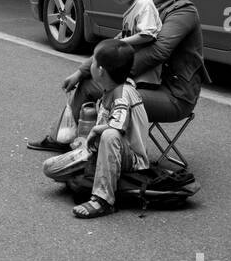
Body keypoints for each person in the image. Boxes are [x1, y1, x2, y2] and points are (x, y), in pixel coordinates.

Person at [28, 0, 163, 152]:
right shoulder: (131, 11)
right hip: (130, 73)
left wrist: (119, 42)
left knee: (89, 87)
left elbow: (148, 35)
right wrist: (80, 71)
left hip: (141, 78)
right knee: (87, 80)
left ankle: (67, 139)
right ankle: (73, 137)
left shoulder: (144, 5)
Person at [42, 39, 154, 218]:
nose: (90, 65)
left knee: (109, 135)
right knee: (49, 168)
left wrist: (94, 132)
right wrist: (83, 142)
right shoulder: (107, 92)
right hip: (101, 152)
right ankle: (94, 175)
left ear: (100, 71)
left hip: (131, 159)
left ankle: (103, 200)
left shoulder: (123, 93)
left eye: (93, 61)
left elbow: (117, 127)